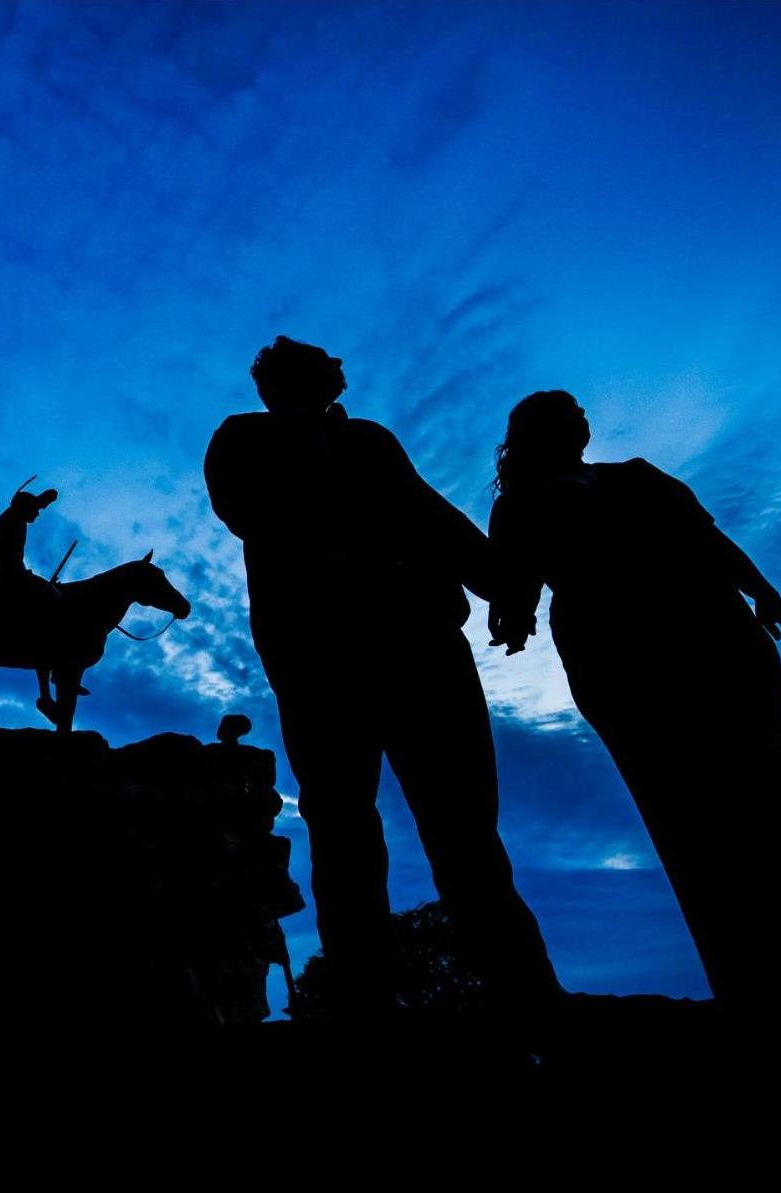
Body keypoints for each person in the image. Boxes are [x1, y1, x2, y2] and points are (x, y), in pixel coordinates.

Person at [204, 335, 559, 1016]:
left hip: (419, 646)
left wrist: (503, 588)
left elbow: (431, 514)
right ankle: (366, 1008)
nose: (319, 383)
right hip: (321, 658)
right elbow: (251, 513)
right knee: (343, 827)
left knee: (462, 830)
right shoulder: (243, 439)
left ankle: (528, 999)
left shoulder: (368, 438)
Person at [487, 389, 781, 1001]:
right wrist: (511, 619)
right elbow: (513, 587)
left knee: (774, 800)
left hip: (718, 645)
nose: (581, 422)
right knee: (685, 816)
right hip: (622, 670)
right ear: (537, 433)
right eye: (566, 416)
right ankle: (749, 978)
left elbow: (709, 543)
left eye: (581, 414)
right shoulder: (520, 507)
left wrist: (765, 593)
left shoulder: (637, 476)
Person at [0, 484, 66, 723]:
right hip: (10, 577)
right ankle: (48, 666)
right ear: (24, 508)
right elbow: (3, 557)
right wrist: (24, 576)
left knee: (51, 595)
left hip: (13, 574)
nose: (38, 514)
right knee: (53, 598)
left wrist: (46, 499)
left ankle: (51, 670)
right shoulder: (12, 520)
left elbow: (33, 505)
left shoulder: (14, 517)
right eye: (35, 510)